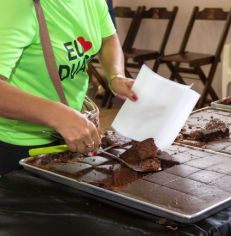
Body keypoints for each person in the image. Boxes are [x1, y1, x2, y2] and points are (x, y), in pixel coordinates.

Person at [0, 0, 137, 174]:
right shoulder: (14, 7)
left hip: (68, 133)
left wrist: (115, 76)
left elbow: (108, 37)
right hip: (16, 143)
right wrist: (57, 115)